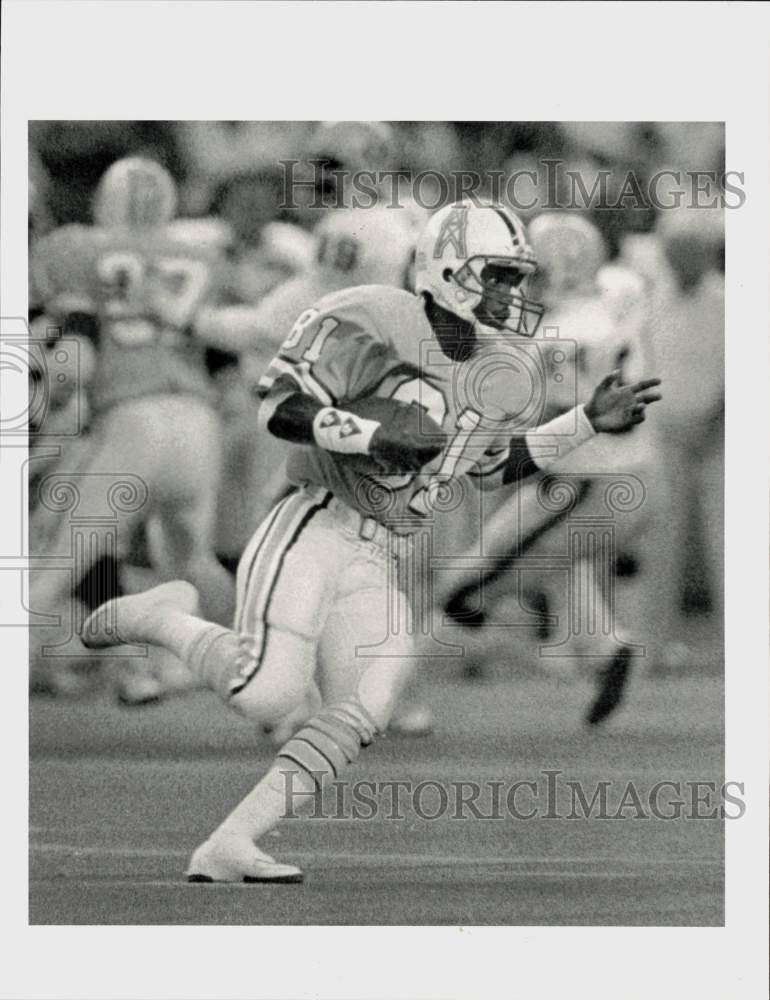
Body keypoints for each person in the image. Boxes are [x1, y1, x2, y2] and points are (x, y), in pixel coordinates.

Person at [82, 200, 661, 883]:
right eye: (499, 276)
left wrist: (586, 422)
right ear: (449, 270)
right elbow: (280, 406)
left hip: (381, 549)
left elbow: (493, 464)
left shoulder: (503, 365)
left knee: (369, 704)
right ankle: (162, 618)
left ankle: (230, 844)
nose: (513, 294)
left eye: (517, 278)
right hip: (315, 521)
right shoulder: (372, 315)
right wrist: (372, 434)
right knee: (266, 696)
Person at [29, 156, 235, 678]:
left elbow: (74, 363)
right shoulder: (203, 257)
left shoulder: (78, 248)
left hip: (133, 421)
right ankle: (265, 664)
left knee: (56, 571)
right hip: (198, 421)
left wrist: (46, 404)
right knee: (194, 562)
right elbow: (224, 361)